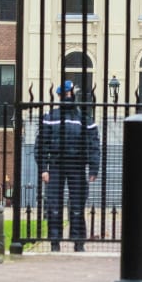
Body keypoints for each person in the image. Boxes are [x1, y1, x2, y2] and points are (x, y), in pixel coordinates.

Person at [35, 80, 100, 251]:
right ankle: (55, 242)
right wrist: (43, 169)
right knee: (54, 205)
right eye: (64, 94)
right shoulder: (50, 118)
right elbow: (41, 145)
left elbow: (94, 144)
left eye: (68, 93)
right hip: (56, 165)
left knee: (78, 205)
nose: (66, 97)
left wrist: (93, 168)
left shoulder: (85, 119)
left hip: (77, 165)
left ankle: (78, 242)